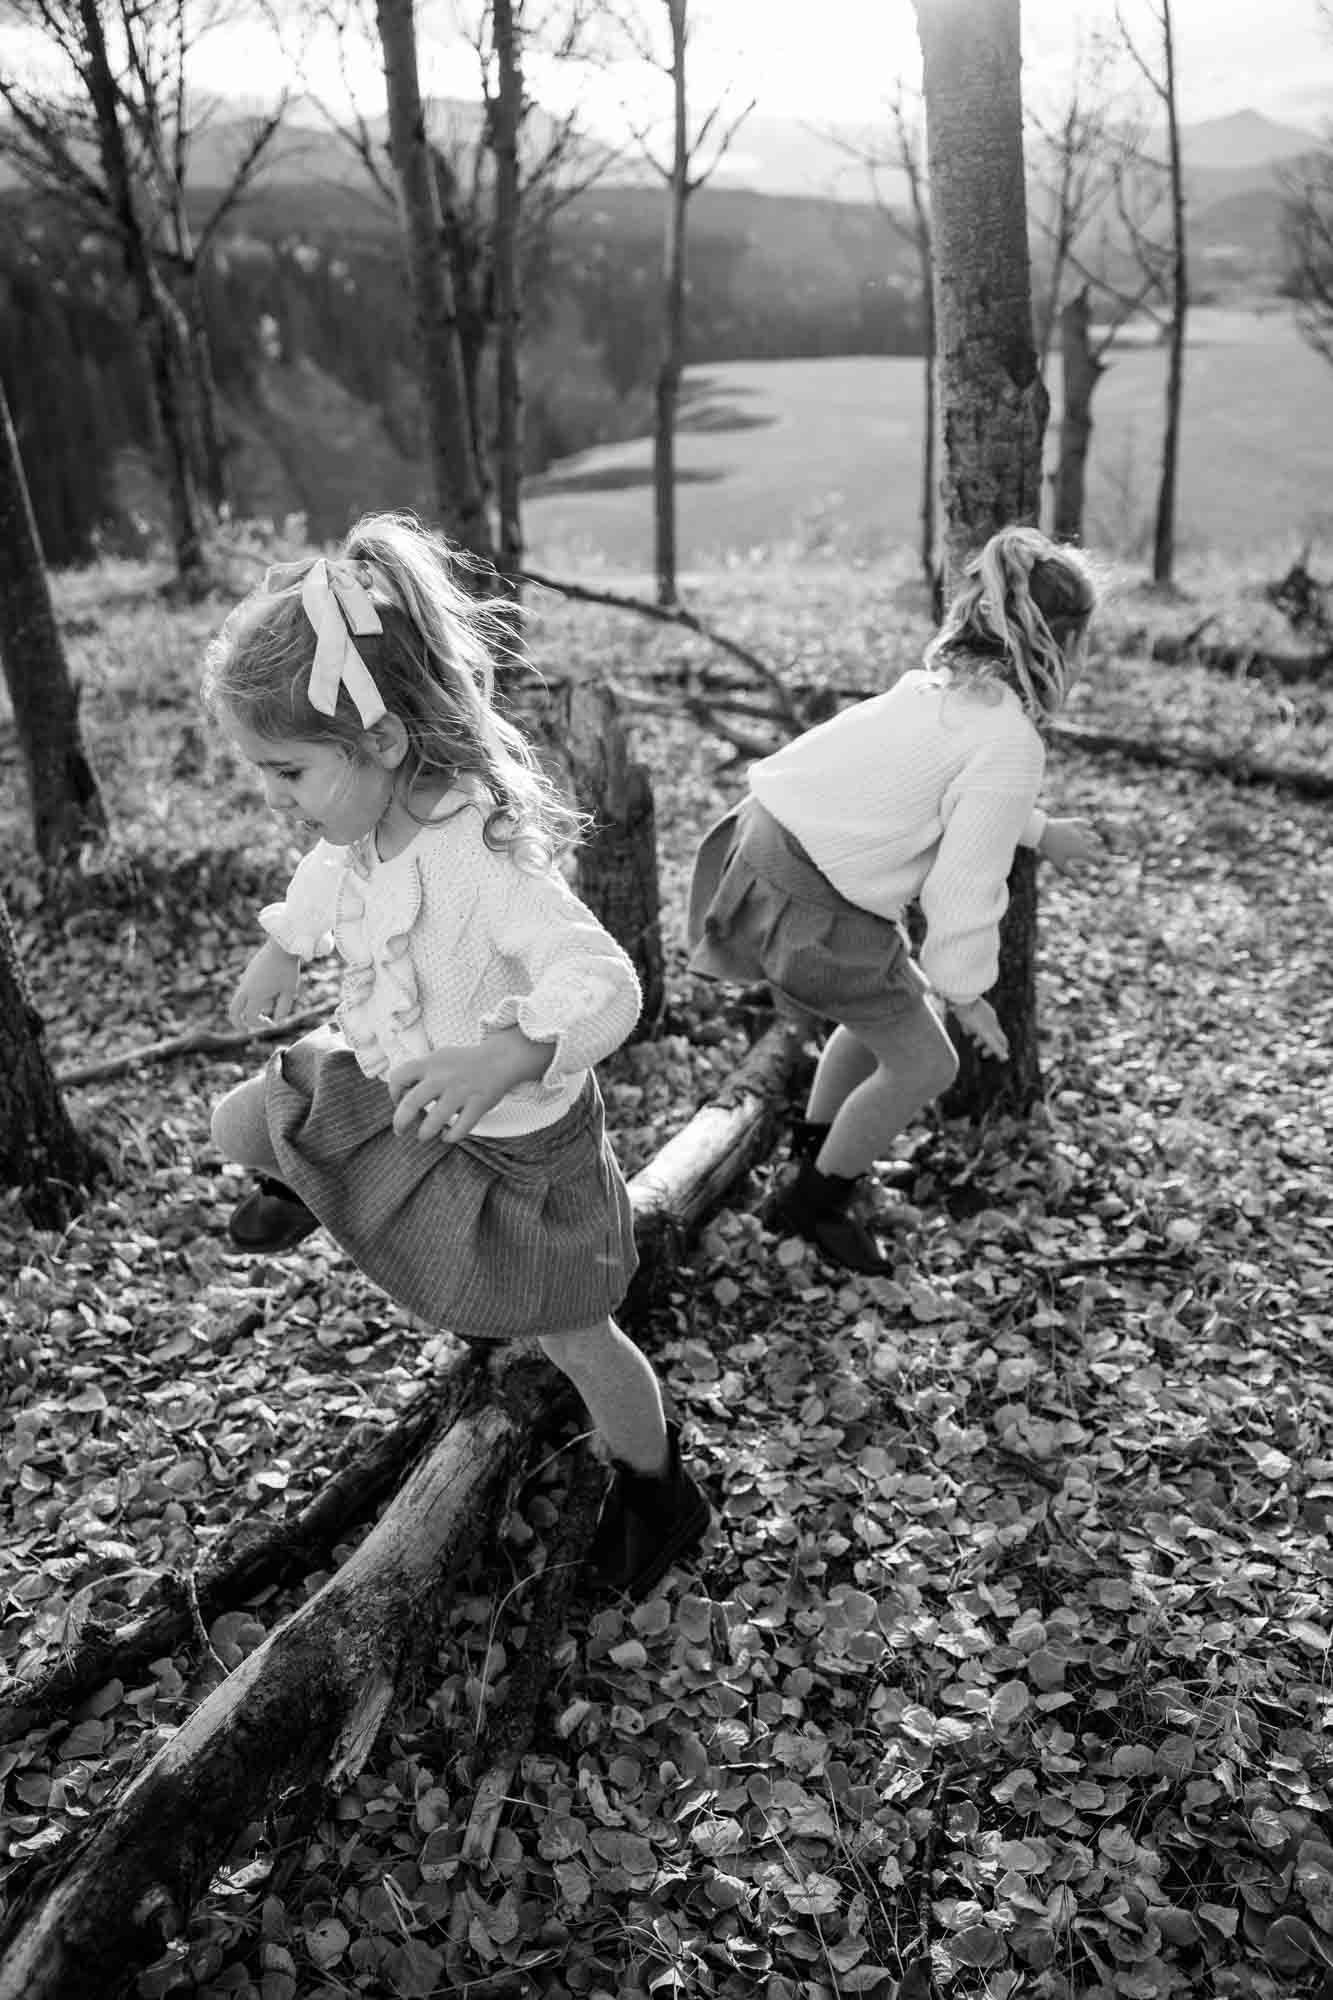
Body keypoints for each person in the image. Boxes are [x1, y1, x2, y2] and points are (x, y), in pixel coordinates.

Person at [203, 513, 710, 1600]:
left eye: (286, 771)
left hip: (518, 1150)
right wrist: (280, 946)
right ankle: (310, 1185)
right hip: (405, 1086)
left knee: (577, 1337)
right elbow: (326, 875)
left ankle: (659, 1487)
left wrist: (511, 1049)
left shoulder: (482, 857)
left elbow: (605, 982)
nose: (277, 796)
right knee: (238, 1122)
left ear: (379, 741)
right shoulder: (364, 820)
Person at [687, 525, 1104, 1276]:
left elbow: (927, 786)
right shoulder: (1008, 739)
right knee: (925, 1065)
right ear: (1061, 646)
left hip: (761, 849)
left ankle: (818, 1147)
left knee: (878, 1013)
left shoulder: (936, 690)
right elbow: (961, 883)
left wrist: (1037, 831)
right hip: (810, 904)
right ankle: (812, 1206)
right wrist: (968, 994)